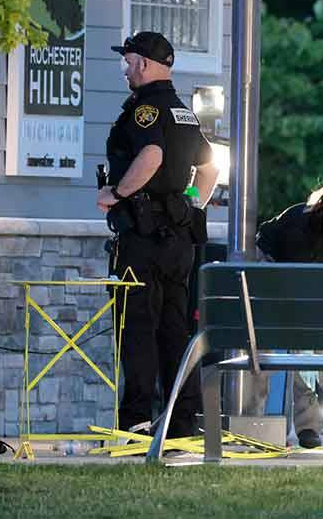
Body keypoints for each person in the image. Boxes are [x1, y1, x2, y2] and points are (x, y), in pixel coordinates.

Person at [97, 31, 219, 440]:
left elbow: (151, 156)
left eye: (128, 61)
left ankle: (136, 422)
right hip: (179, 241)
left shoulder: (144, 111)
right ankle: (181, 424)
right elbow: (210, 170)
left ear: (144, 64)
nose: (126, 69)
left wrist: (116, 193)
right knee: (174, 331)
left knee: (137, 328)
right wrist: (189, 205)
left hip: (144, 239)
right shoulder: (183, 112)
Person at [247, 183, 323, 449]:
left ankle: (309, 427)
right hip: (270, 270)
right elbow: (291, 287)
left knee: (312, 346)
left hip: (309, 279)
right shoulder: (298, 227)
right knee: (263, 350)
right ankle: (253, 423)